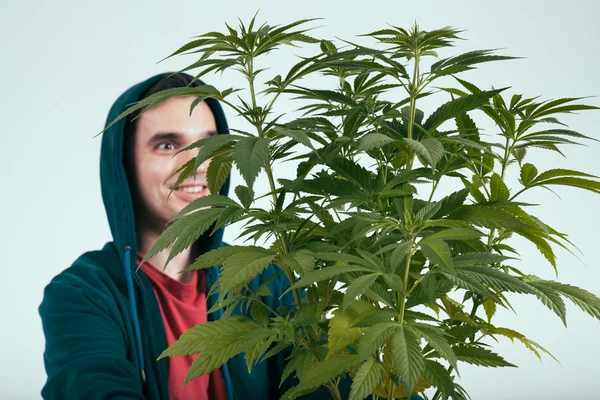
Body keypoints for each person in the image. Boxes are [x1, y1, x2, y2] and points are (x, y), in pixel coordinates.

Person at [38, 72, 354, 400]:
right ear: (124, 165)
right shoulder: (84, 293)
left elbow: (331, 381)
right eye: (167, 144)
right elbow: (94, 386)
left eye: (210, 144)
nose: (198, 163)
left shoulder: (265, 278)